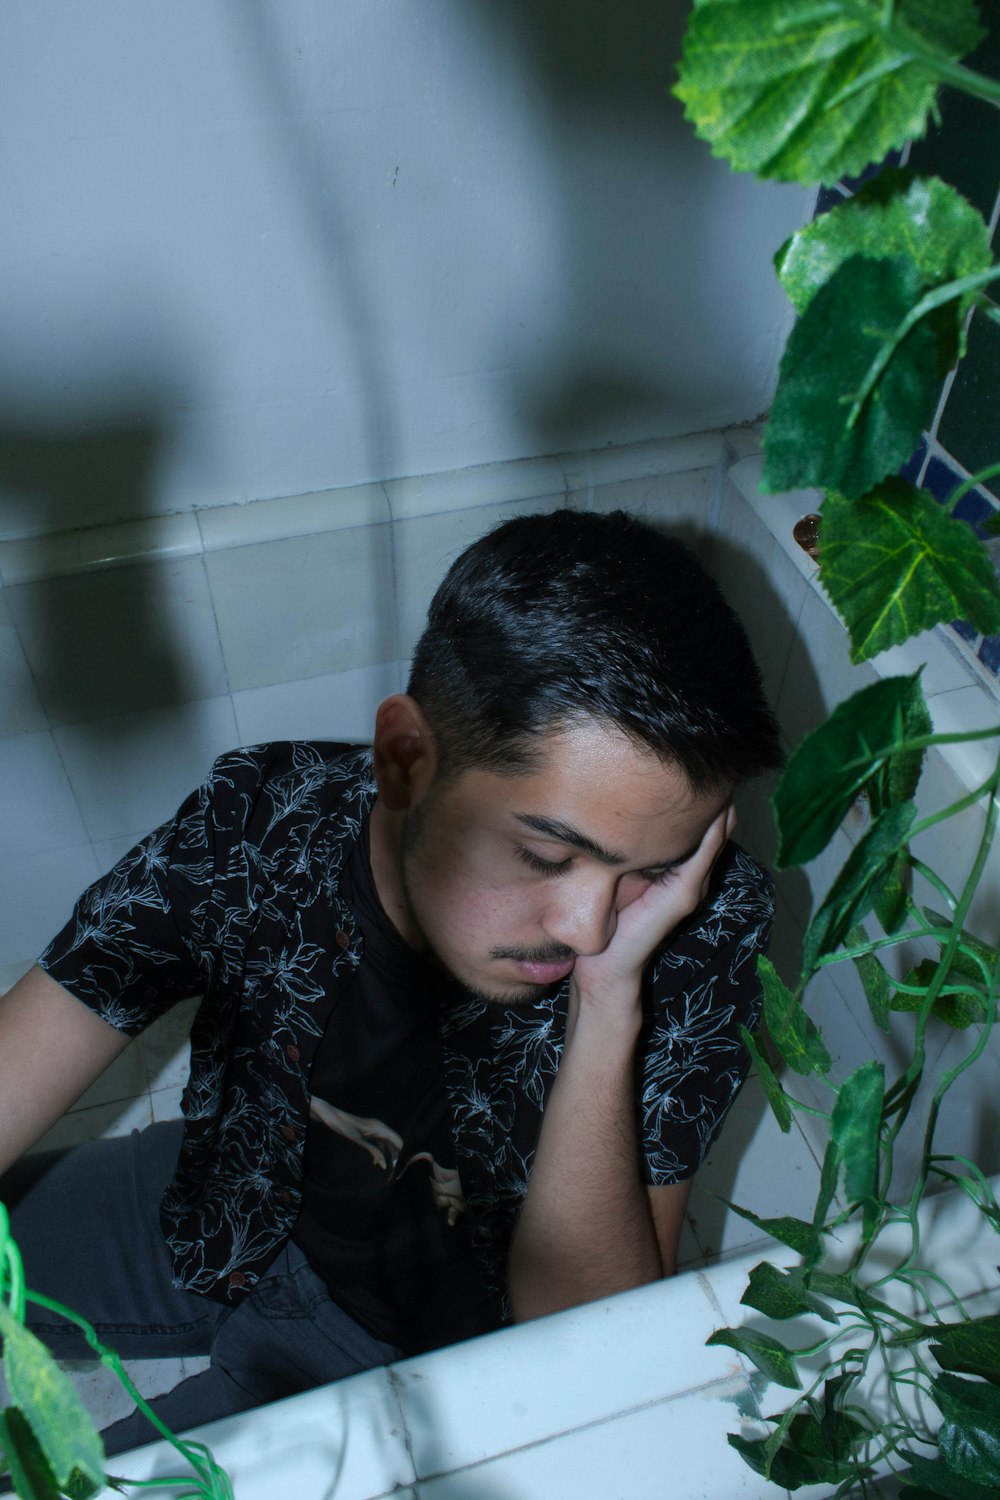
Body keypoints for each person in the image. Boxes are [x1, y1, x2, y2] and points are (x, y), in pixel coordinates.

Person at [0, 508, 783, 1455]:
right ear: (407, 758)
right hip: (226, 1198)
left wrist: (610, 1001)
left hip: (419, 1351)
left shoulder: (699, 927)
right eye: (544, 855)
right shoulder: (264, 820)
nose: (588, 927)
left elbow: (590, 1338)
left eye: (650, 870)